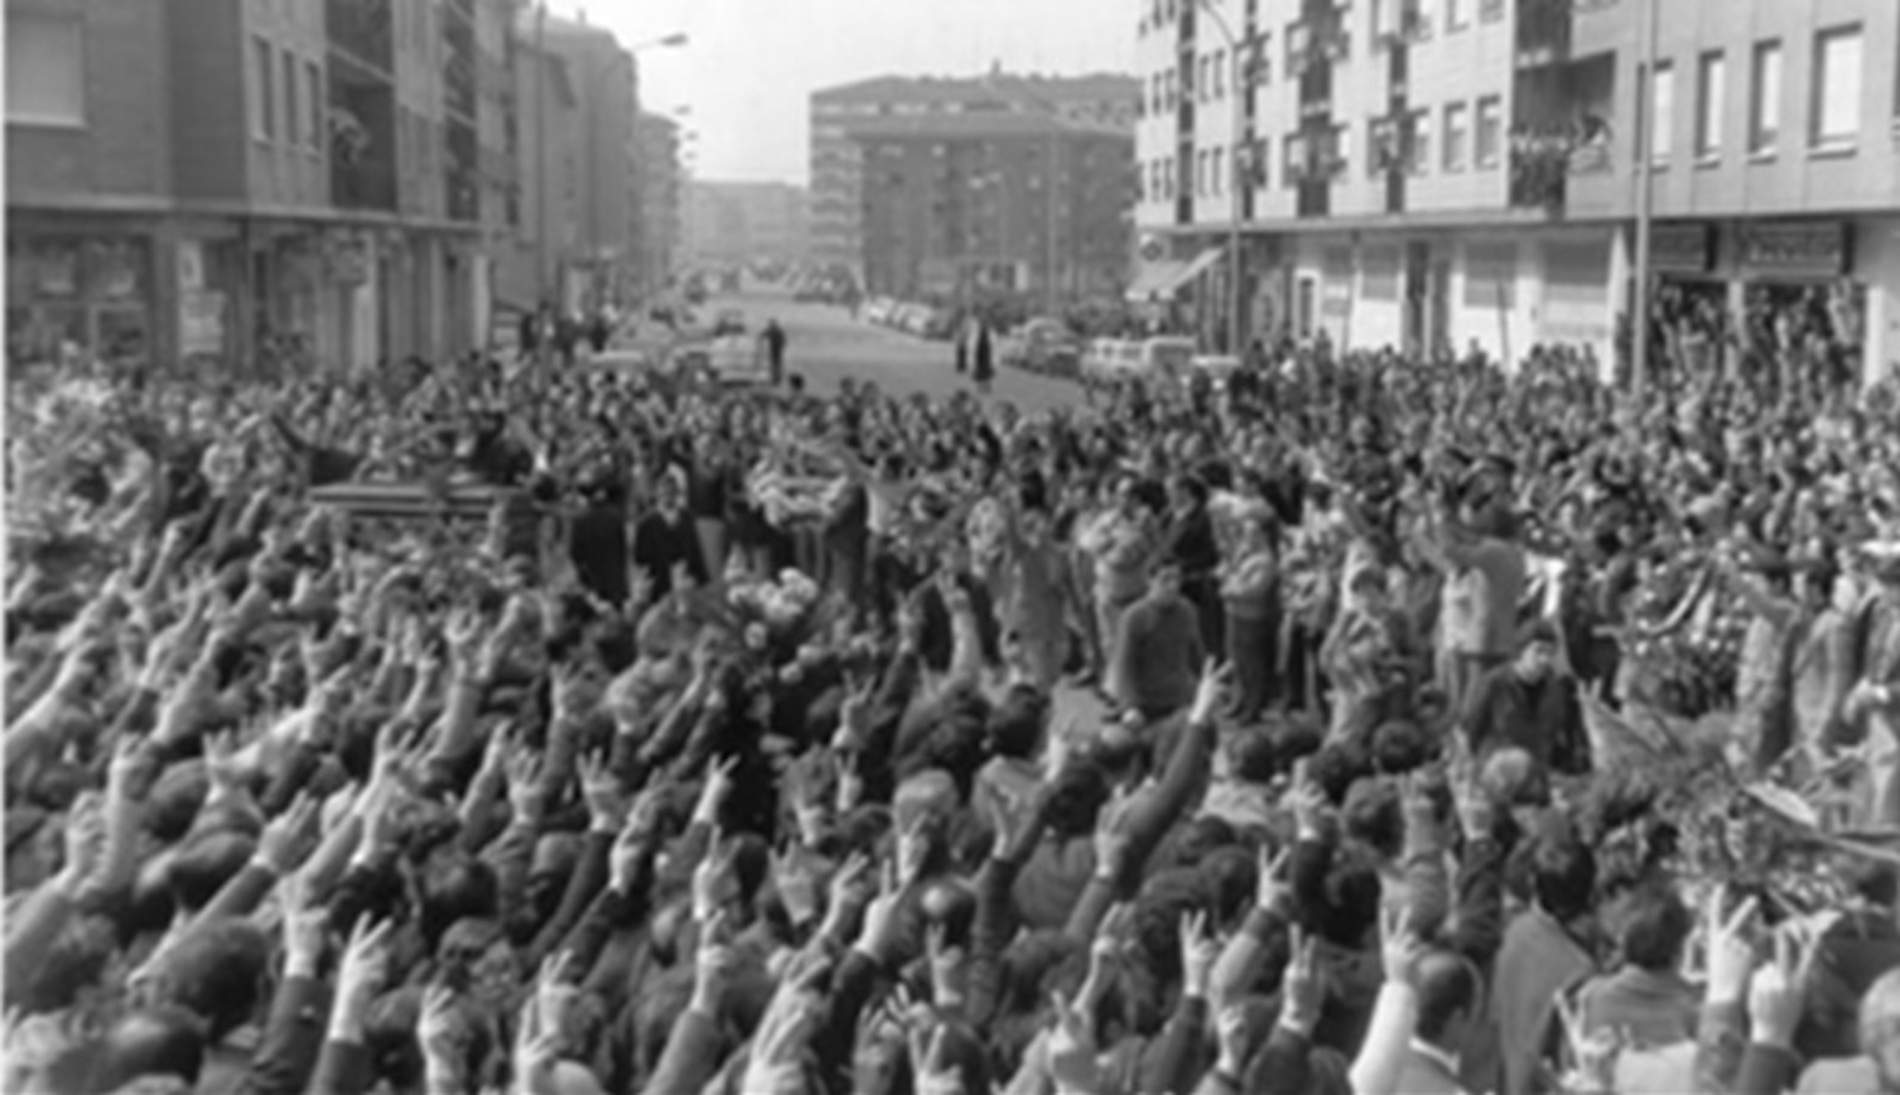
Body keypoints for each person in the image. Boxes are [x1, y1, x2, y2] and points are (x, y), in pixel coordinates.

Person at [762, 319, 788, 386]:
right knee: (774, 365)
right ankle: (775, 379)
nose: (771, 326)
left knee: (776, 365)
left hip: (776, 351)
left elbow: (783, 341)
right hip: (772, 351)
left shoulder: (777, 332)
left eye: (772, 324)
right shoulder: (772, 331)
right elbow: (762, 335)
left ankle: (776, 380)